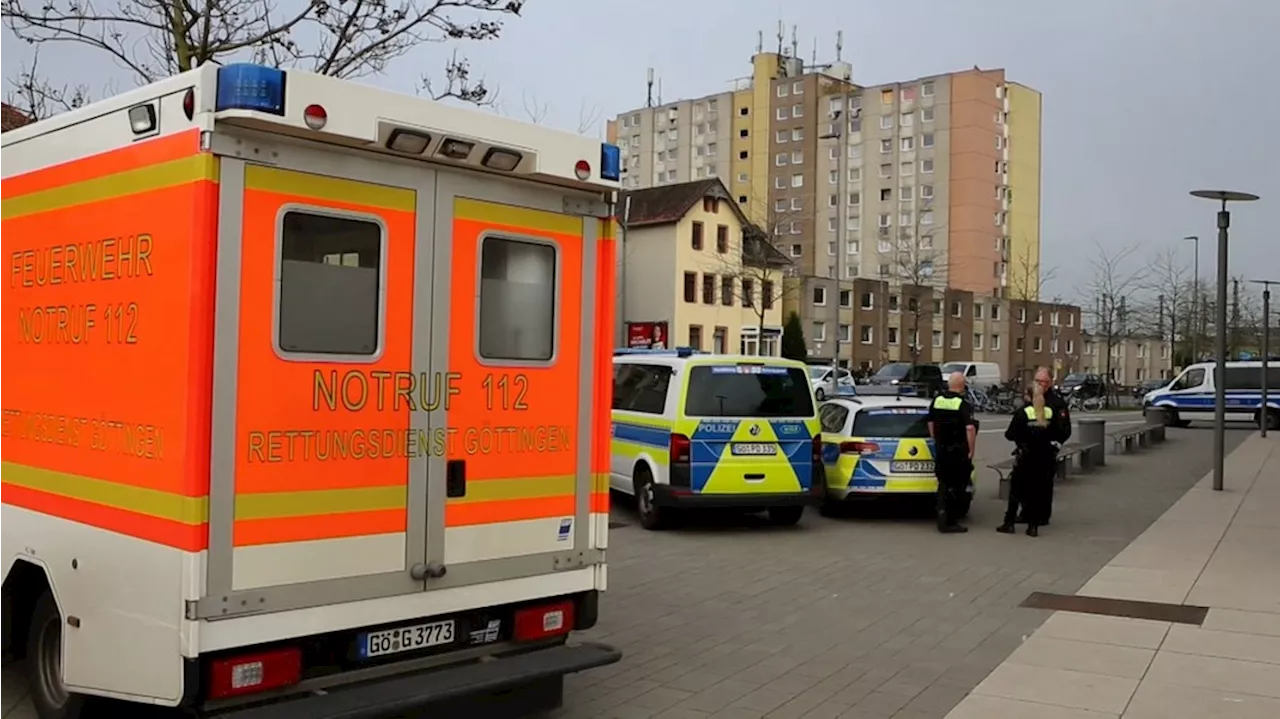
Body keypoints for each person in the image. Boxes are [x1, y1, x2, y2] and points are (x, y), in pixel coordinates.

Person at [999, 380, 1070, 536]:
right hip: (1045, 456)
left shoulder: (1023, 413)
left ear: (1028, 396)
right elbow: (1059, 432)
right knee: (1037, 491)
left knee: (1016, 491)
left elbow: (1009, 434)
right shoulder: (1049, 412)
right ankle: (1033, 526)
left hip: (1026, 456)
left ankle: (1009, 522)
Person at [1017, 368, 1071, 525]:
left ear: (1050, 383)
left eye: (1043, 382)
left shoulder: (1057, 403)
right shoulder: (1029, 401)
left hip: (1046, 450)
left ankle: (1042, 515)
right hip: (1028, 450)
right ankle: (1026, 513)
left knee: (1044, 484)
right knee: (1026, 483)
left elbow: (1064, 429)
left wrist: (1055, 445)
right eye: (1037, 381)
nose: (1040, 385)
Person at [927, 372, 978, 534]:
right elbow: (969, 428)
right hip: (958, 450)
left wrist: (936, 438)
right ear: (962, 386)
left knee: (943, 485)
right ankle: (951, 521)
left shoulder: (937, 400)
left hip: (942, 448)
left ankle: (941, 516)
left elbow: (930, 422)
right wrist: (971, 450)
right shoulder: (963, 404)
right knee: (957, 487)